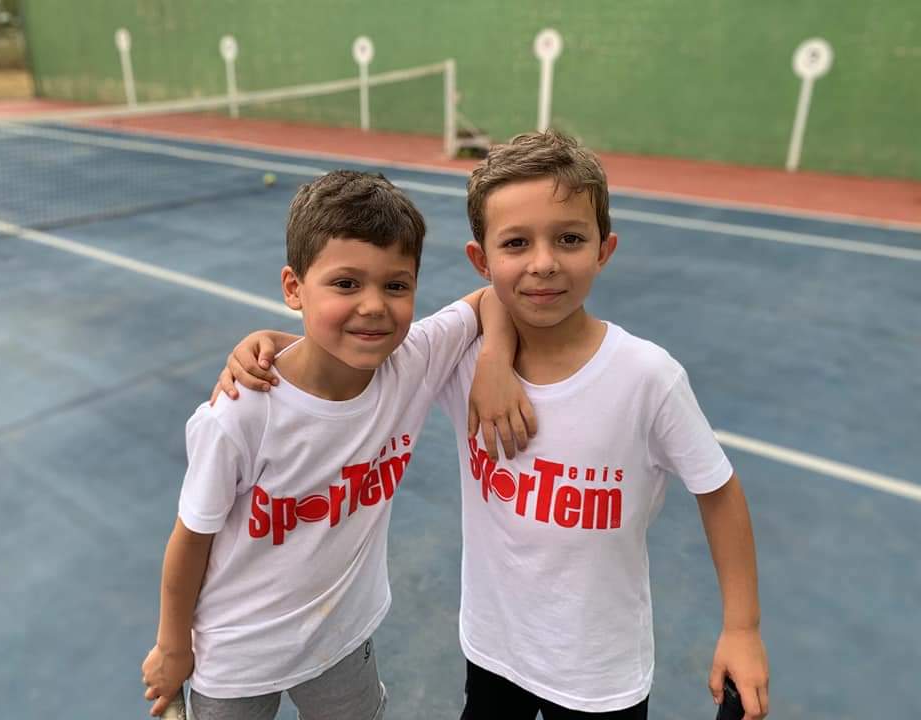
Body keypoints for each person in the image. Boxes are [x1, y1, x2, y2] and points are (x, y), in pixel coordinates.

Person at [215, 131, 770, 719]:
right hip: (493, 652)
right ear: (482, 260)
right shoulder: (460, 364)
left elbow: (718, 490)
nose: (543, 263)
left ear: (604, 249)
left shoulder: (646, 377)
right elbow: (352, 353)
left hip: (598, 674)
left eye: (569, 239)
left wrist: (742, 628)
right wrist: (269, 345)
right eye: (516, 243)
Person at [141, 170, 528, 720]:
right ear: (293, 288)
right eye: (346, 284)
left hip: (341, 641)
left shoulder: (411, 363)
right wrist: (172, 647)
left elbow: (492, 298)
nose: (373, 305)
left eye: (396, 286)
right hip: (236, 657)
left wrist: (493, 362)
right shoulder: (242, 412)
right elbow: (190, 541)